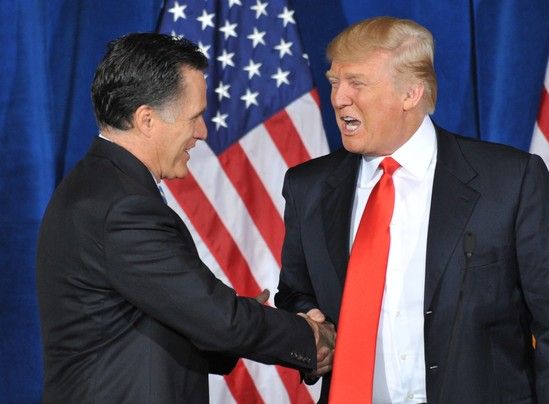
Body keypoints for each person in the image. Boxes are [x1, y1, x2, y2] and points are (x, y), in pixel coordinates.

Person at [275, 16, 549, 404]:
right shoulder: (307, 187)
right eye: (334, 82)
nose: (339, 98)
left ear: (411, 93)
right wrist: (311, 329)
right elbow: (295, 292)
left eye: (356, 83)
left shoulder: (510, 180)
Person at [36, 33, 334, 403]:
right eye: (194, 117)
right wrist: (312, 339)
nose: (203, 132)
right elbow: (218, 320)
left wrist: (229, 321)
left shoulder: (98, 186)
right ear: (146, 119)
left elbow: (173, 319)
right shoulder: (123, 208)